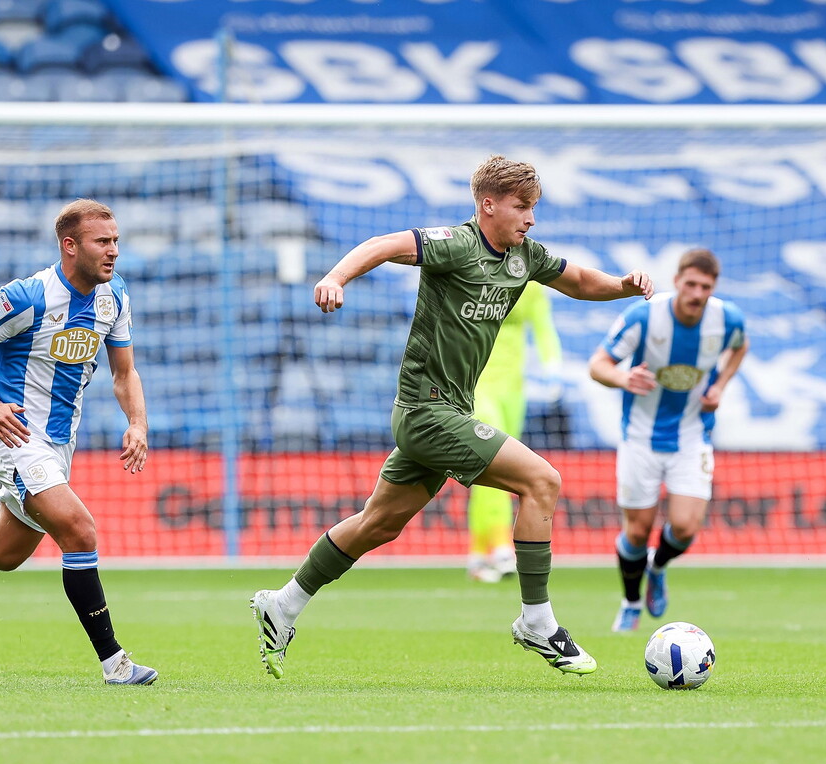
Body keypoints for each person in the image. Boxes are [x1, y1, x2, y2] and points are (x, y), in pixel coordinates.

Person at [251, 155, 654, 680]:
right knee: (542, 481)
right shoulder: (455, 244)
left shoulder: (523, 256)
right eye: (521, 207)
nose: (530, 219)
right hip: (425, 411)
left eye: (534, 208)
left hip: (446, 412)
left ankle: (281, 605)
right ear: (488, 205)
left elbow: (578, 281)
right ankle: (537, 620)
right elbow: (383, 244)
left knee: (379, 523)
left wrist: (623, 284)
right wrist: (335, 276)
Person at [0, 199, 158, 685]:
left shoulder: (115, 297)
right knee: (81, 531)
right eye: (102, 242)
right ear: (70, 246)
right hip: (16, 437)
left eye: (115, 242)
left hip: (58, 446)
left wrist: (137, 423)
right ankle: (116, 663)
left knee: (1, 552)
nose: (113, 252)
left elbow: (124, 372)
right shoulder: (28, 296)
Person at [588, 248, 748, 633]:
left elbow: (740, 346)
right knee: (638, 532)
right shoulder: (644, 316)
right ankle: (630, 602)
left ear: (714, 288)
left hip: (693, 435)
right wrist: (624, 379)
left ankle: (657, 568)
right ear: (677, 281)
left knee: (686, 527)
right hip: (640, 436)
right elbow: (598, 365)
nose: (696, 293)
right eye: (690, 284)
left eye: (705, 287)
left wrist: (721, 386)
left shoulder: (727, 320)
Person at [467, 280, 562, 582]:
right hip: (476, 383)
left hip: (513, 389)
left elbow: (543, 326)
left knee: (495, 470)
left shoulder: (531, 284)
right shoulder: (476, 273)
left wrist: (553, 365)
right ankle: (499, 544)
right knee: (492, 457)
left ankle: (479, 553)